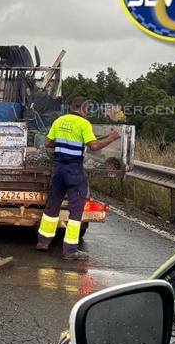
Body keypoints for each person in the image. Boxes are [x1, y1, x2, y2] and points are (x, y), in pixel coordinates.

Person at [36, 97, 120, 260]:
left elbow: (47, 143)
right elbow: (93, 146)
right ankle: (70, 250)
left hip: (58, 169)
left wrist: (63, 143)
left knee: (52, 205)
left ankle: (43, 241)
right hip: (74, 170)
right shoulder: (84, 124)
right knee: (75, 210)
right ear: (84, 108)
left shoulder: (59, 120)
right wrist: (111, 138)